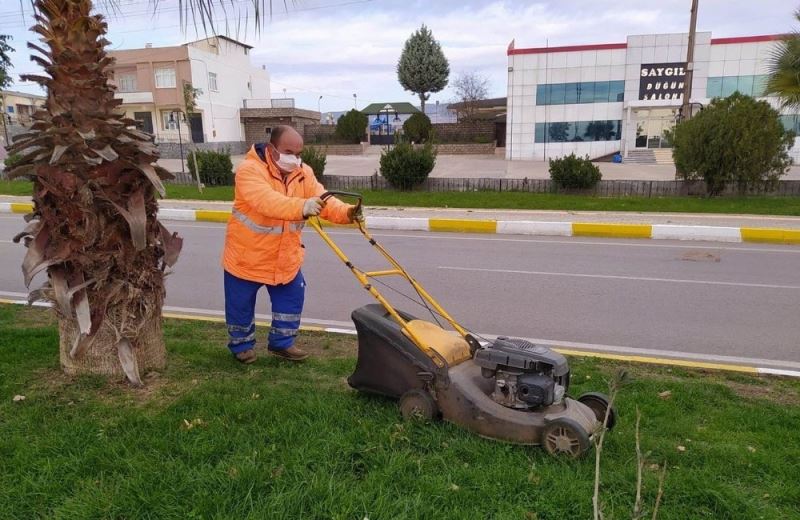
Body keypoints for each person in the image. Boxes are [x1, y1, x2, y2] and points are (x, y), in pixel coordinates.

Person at [222, 125, 362, 364]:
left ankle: (282, 343)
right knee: (240, 306)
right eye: (289, 152)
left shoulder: (303, 172)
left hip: (285, 257)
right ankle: (242, 345)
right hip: (247, 258)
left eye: (299, 154)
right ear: (271, 148)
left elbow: (323, 199)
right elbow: (267, 201)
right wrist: (301, 207)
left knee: (291, 300)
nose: (295, 159)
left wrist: (348, 213)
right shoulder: (249, 171)